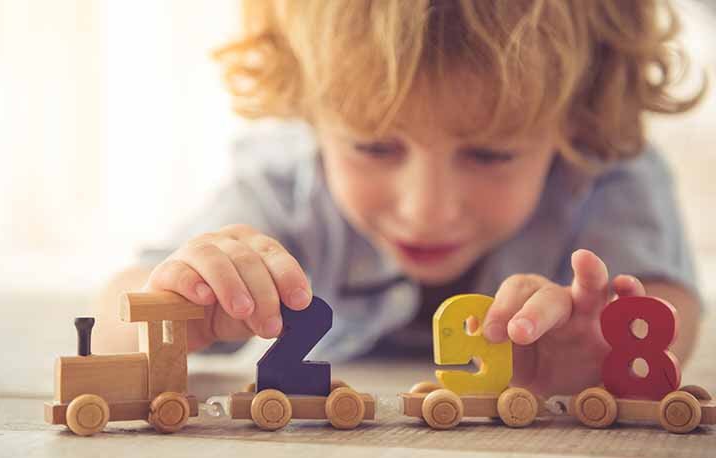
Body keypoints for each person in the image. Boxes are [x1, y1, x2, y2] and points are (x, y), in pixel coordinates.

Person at [96, 0, 706, 398]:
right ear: (311, 113)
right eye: (374, 148)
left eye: (490, 155)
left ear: (577, 122)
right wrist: (181, 301)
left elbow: (668, 305)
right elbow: (115, 319)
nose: (427, 209)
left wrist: (600, 349)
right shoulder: (286, 179)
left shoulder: (605, 171)